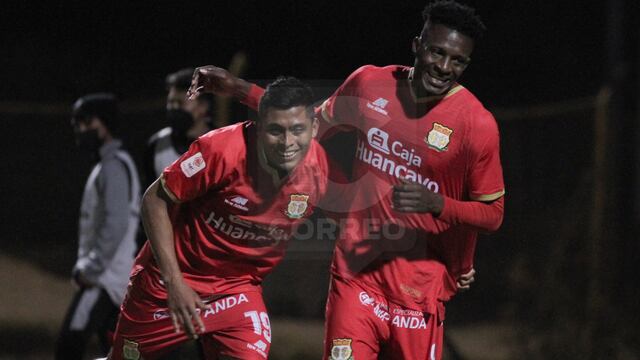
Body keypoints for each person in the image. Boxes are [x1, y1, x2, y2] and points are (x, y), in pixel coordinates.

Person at [188, 1, 504, 358]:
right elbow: (303, 128)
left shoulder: (476, 125)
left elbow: (492, 214)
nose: (444, 67)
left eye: (458, 61)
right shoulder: (369, 83)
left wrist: (440, 208)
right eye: (437, 52)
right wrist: (238, 88)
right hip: (356, 275)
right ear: (417, 45)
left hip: (419, 289)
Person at [109, 77, 342, 359]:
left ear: (314, 128)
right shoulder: (221, 150)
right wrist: (174, 282)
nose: (287, 143)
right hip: (171, 284)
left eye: (297, 130)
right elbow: (154, 198)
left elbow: (349, 216)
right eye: (275, 131)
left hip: (237, 291)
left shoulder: (319, 169)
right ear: (259, 126)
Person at [56, 93, 141, 360]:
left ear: (103, 124)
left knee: (69, 344)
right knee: (115, 352)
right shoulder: (112, 164)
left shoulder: (113, 167)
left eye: (85, 122)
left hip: (104, 278)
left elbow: (115, 226)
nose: (80, 129)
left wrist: (90, 270)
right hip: (114, 277)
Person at [143, 68, 216, 187]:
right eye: (171, 102)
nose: (174, 108)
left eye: (181, 103)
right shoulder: (156, 145)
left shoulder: (221, 144)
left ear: (203, 105)